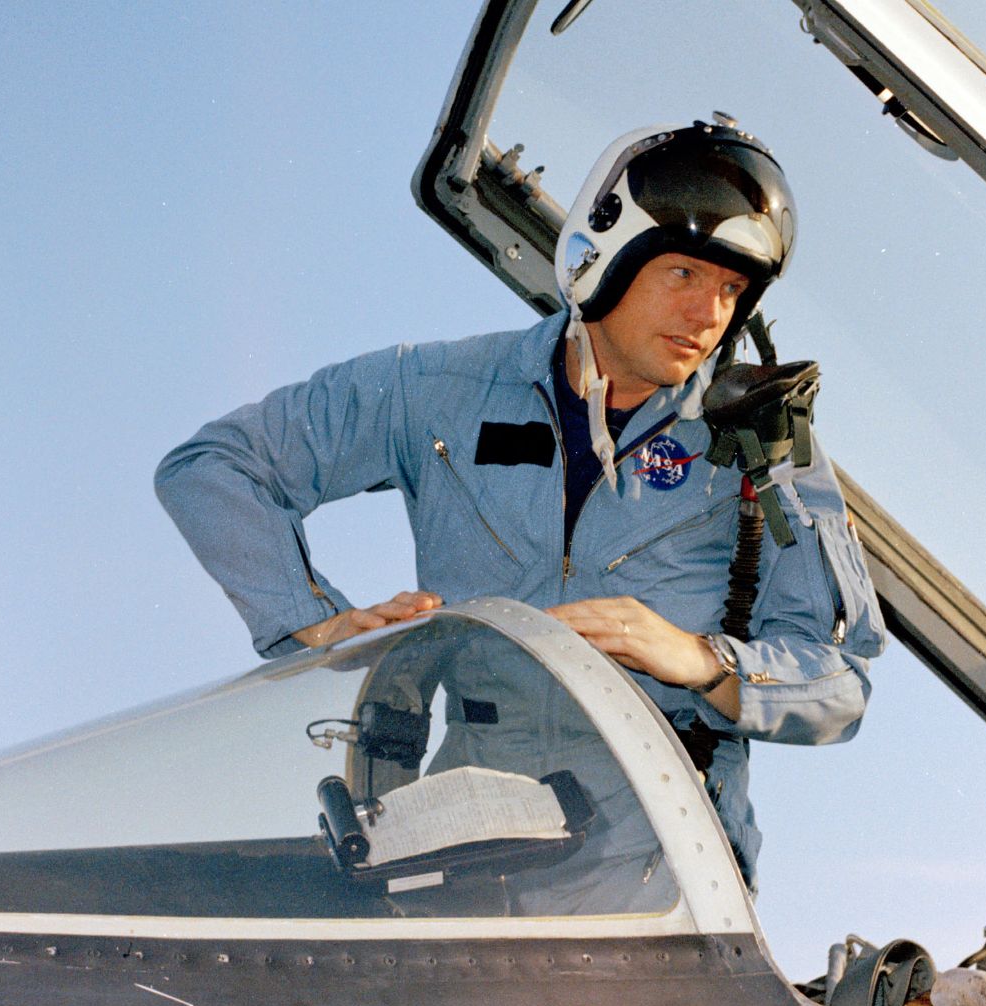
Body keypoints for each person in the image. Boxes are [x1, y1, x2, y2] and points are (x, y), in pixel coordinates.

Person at [154, 116, 883, 889]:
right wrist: (317, 624)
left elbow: (841, 680)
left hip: (658, 874)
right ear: (606, 255)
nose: (710, 314)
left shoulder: (764, 452)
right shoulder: (436, 392)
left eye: (732, 288)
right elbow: (214, 468)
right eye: (684, 275)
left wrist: (702, 660)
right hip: (466, 854)